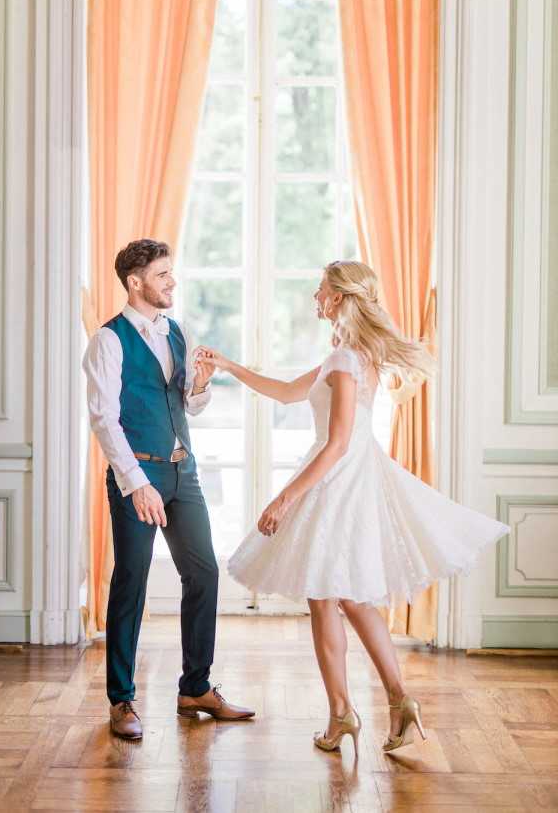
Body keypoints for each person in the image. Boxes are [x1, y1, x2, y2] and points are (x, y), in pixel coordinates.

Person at [195, 260, 509, 754]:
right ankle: (397, 703)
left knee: (327, 599)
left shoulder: (344, 359)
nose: (314, 298)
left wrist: (285, 496)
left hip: (337, 482)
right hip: (350, 478)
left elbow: (337, 443)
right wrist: (230, 366)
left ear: (339, 298)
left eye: (320, 290)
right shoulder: (352, 355)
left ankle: (344, 713)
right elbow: (286, 393)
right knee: (354, 599)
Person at [83, 239, 254, 740]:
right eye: (162, 275)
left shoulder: (175, 331)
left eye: (171, 273)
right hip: (138, 476)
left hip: (185, 472)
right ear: (135, 283)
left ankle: (195, 687)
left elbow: (187, 407)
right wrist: (135, 483)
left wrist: (199, 385)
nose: (171, 282)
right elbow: (104, 420)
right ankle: (122, 700)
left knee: (203, 573)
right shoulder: (108, 341)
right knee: (131, 583)